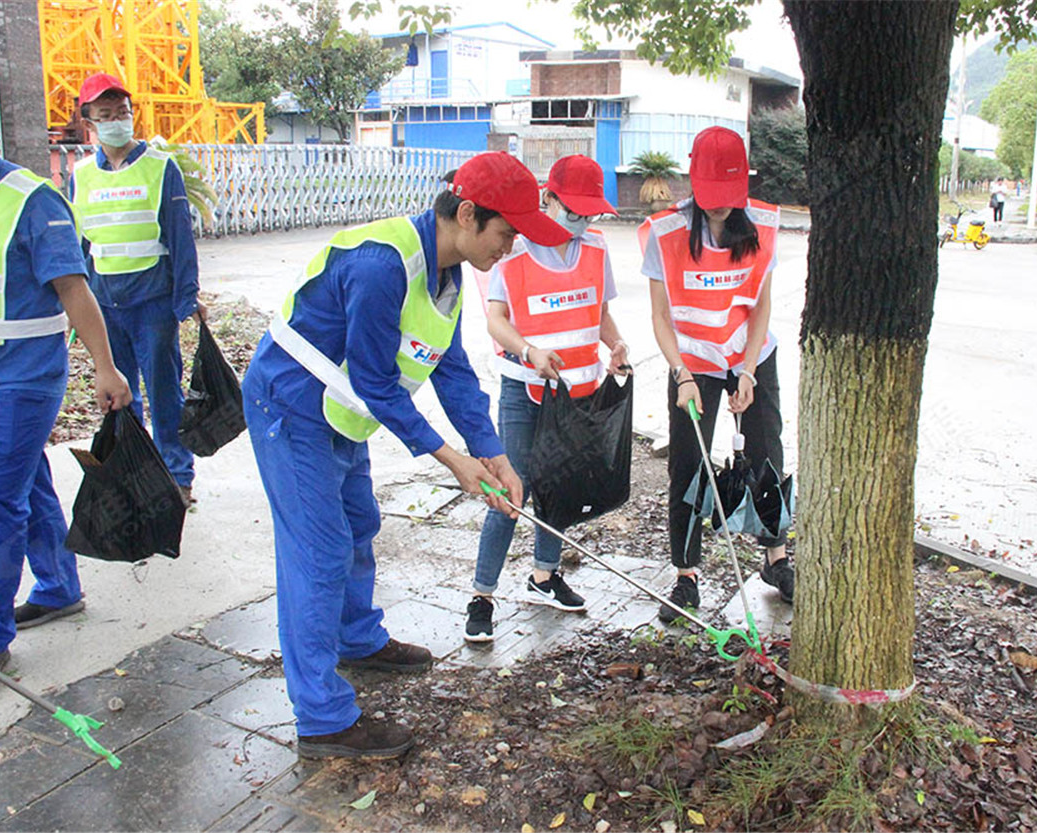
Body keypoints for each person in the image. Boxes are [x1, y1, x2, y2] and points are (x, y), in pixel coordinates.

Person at [242, 151, 567, 760]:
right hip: (290, 403)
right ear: (468, 214)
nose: (512, 247)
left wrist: (494, 454)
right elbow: (375, 381)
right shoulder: (381, 266)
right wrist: (453, 460)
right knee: (319, 552)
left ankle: (356, 638)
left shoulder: (450, 275)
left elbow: (451, 369)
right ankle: (321, 719)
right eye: (507, 232)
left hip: (340, 408)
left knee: (360, 524)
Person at [0, 72, 132, 684]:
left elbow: (74, 290)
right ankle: (57, 586)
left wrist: (104, 366)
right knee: (23, 483)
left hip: (19, 379)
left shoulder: (31, 200)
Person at [464, 155, 630, 643]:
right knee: (512, 491)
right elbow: (496, 320)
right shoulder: (512, 251)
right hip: (524, 388)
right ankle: (482, 595)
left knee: (560, 484)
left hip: (579, 389)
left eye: (588, 213)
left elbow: (597, 310)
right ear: (548, 200)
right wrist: (529, 350)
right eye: (572, 210)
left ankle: (544, 575)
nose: (580, 221)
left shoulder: (596, 248)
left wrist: (614, 345)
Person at [639, 126, 794, 623]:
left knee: (767, 452)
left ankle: (775, 557)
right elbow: (661, 317)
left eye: (728, 200)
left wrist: (748, 371)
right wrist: (681, 373)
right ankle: (686, 575)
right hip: (692, 363)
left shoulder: (765, 224)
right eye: (711, 200)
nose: (719, 210)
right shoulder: (665, 233)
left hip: (749, 352)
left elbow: (762, 304)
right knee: (690, 462)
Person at [67, 73, 204, 504]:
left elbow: (180, 237)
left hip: (152, 300)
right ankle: (134, 472)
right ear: (89, 123)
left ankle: (177, 477)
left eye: (122, 113)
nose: (115, 122)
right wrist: (77, 310)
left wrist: (186, 297)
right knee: (119, 394)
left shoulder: (159, 168)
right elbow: (79, 244)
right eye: (104, 115)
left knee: (164, 390)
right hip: (105, 300)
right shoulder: (82, 174)